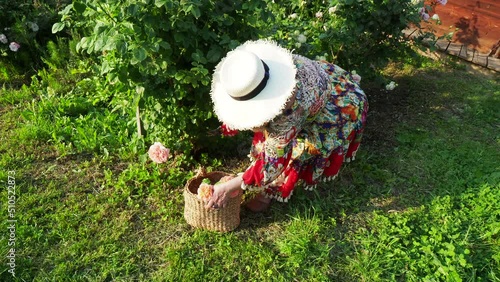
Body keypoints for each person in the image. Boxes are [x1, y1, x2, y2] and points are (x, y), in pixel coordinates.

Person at [205, 39, 368, 212]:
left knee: (296, 151)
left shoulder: (290, 112)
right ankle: (258, 186)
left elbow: (273, 161)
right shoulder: (268, 69)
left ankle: (266, 195)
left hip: (340, 106)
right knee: (271, 132)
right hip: (327, 78)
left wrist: (230, 186)